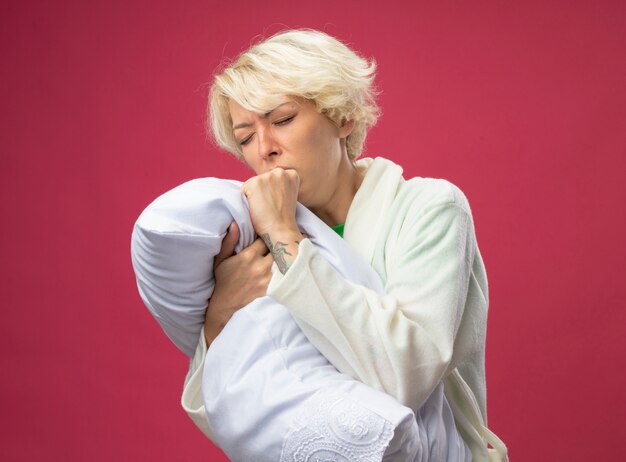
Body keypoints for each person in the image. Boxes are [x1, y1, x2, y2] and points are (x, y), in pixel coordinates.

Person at [183, 29, 507, 461]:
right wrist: (219, 317)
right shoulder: (248, 244)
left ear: (343, 117)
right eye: (245, 137)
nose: (264, 149)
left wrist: (284, 236)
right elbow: (236, 413)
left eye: (281, 120)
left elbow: (403, 376)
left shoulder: (429, 208)